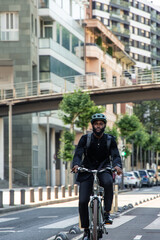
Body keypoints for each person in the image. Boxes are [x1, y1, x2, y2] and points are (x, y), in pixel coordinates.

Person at [72, 113, 122, 240]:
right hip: (87, 170)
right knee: (83, 200)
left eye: (101, 124)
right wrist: (76, 165)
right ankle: (87, 230)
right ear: (92, 125)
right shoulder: (85, 139)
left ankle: (106, 213)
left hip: (104, 168)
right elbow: (78, 153)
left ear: (104, 125)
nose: (98, 126)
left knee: (108, 182)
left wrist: (117, 166)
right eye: (96, 124)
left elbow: (115, 155)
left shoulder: (110, 139)